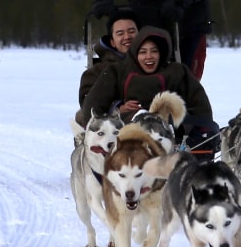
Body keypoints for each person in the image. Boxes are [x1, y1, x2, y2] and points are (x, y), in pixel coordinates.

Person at [78, 26, 219, 161]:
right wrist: (116, 109)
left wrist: (203, 131)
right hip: (129, 127)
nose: (149, 57)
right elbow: (94, 103)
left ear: (162, 53)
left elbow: (200, 103)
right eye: (143, 52)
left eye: (154, 51)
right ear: (135, 53)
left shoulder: (177, 72)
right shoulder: (118, 71)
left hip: (174, 127)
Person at [76, 8, 139, 122]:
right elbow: (87, 102)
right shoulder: (98, 70)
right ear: (112, 42)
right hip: (110, 126)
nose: (127, 37)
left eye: (131, 31)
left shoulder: (152, 65)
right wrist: (117, 108)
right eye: (120, 33)